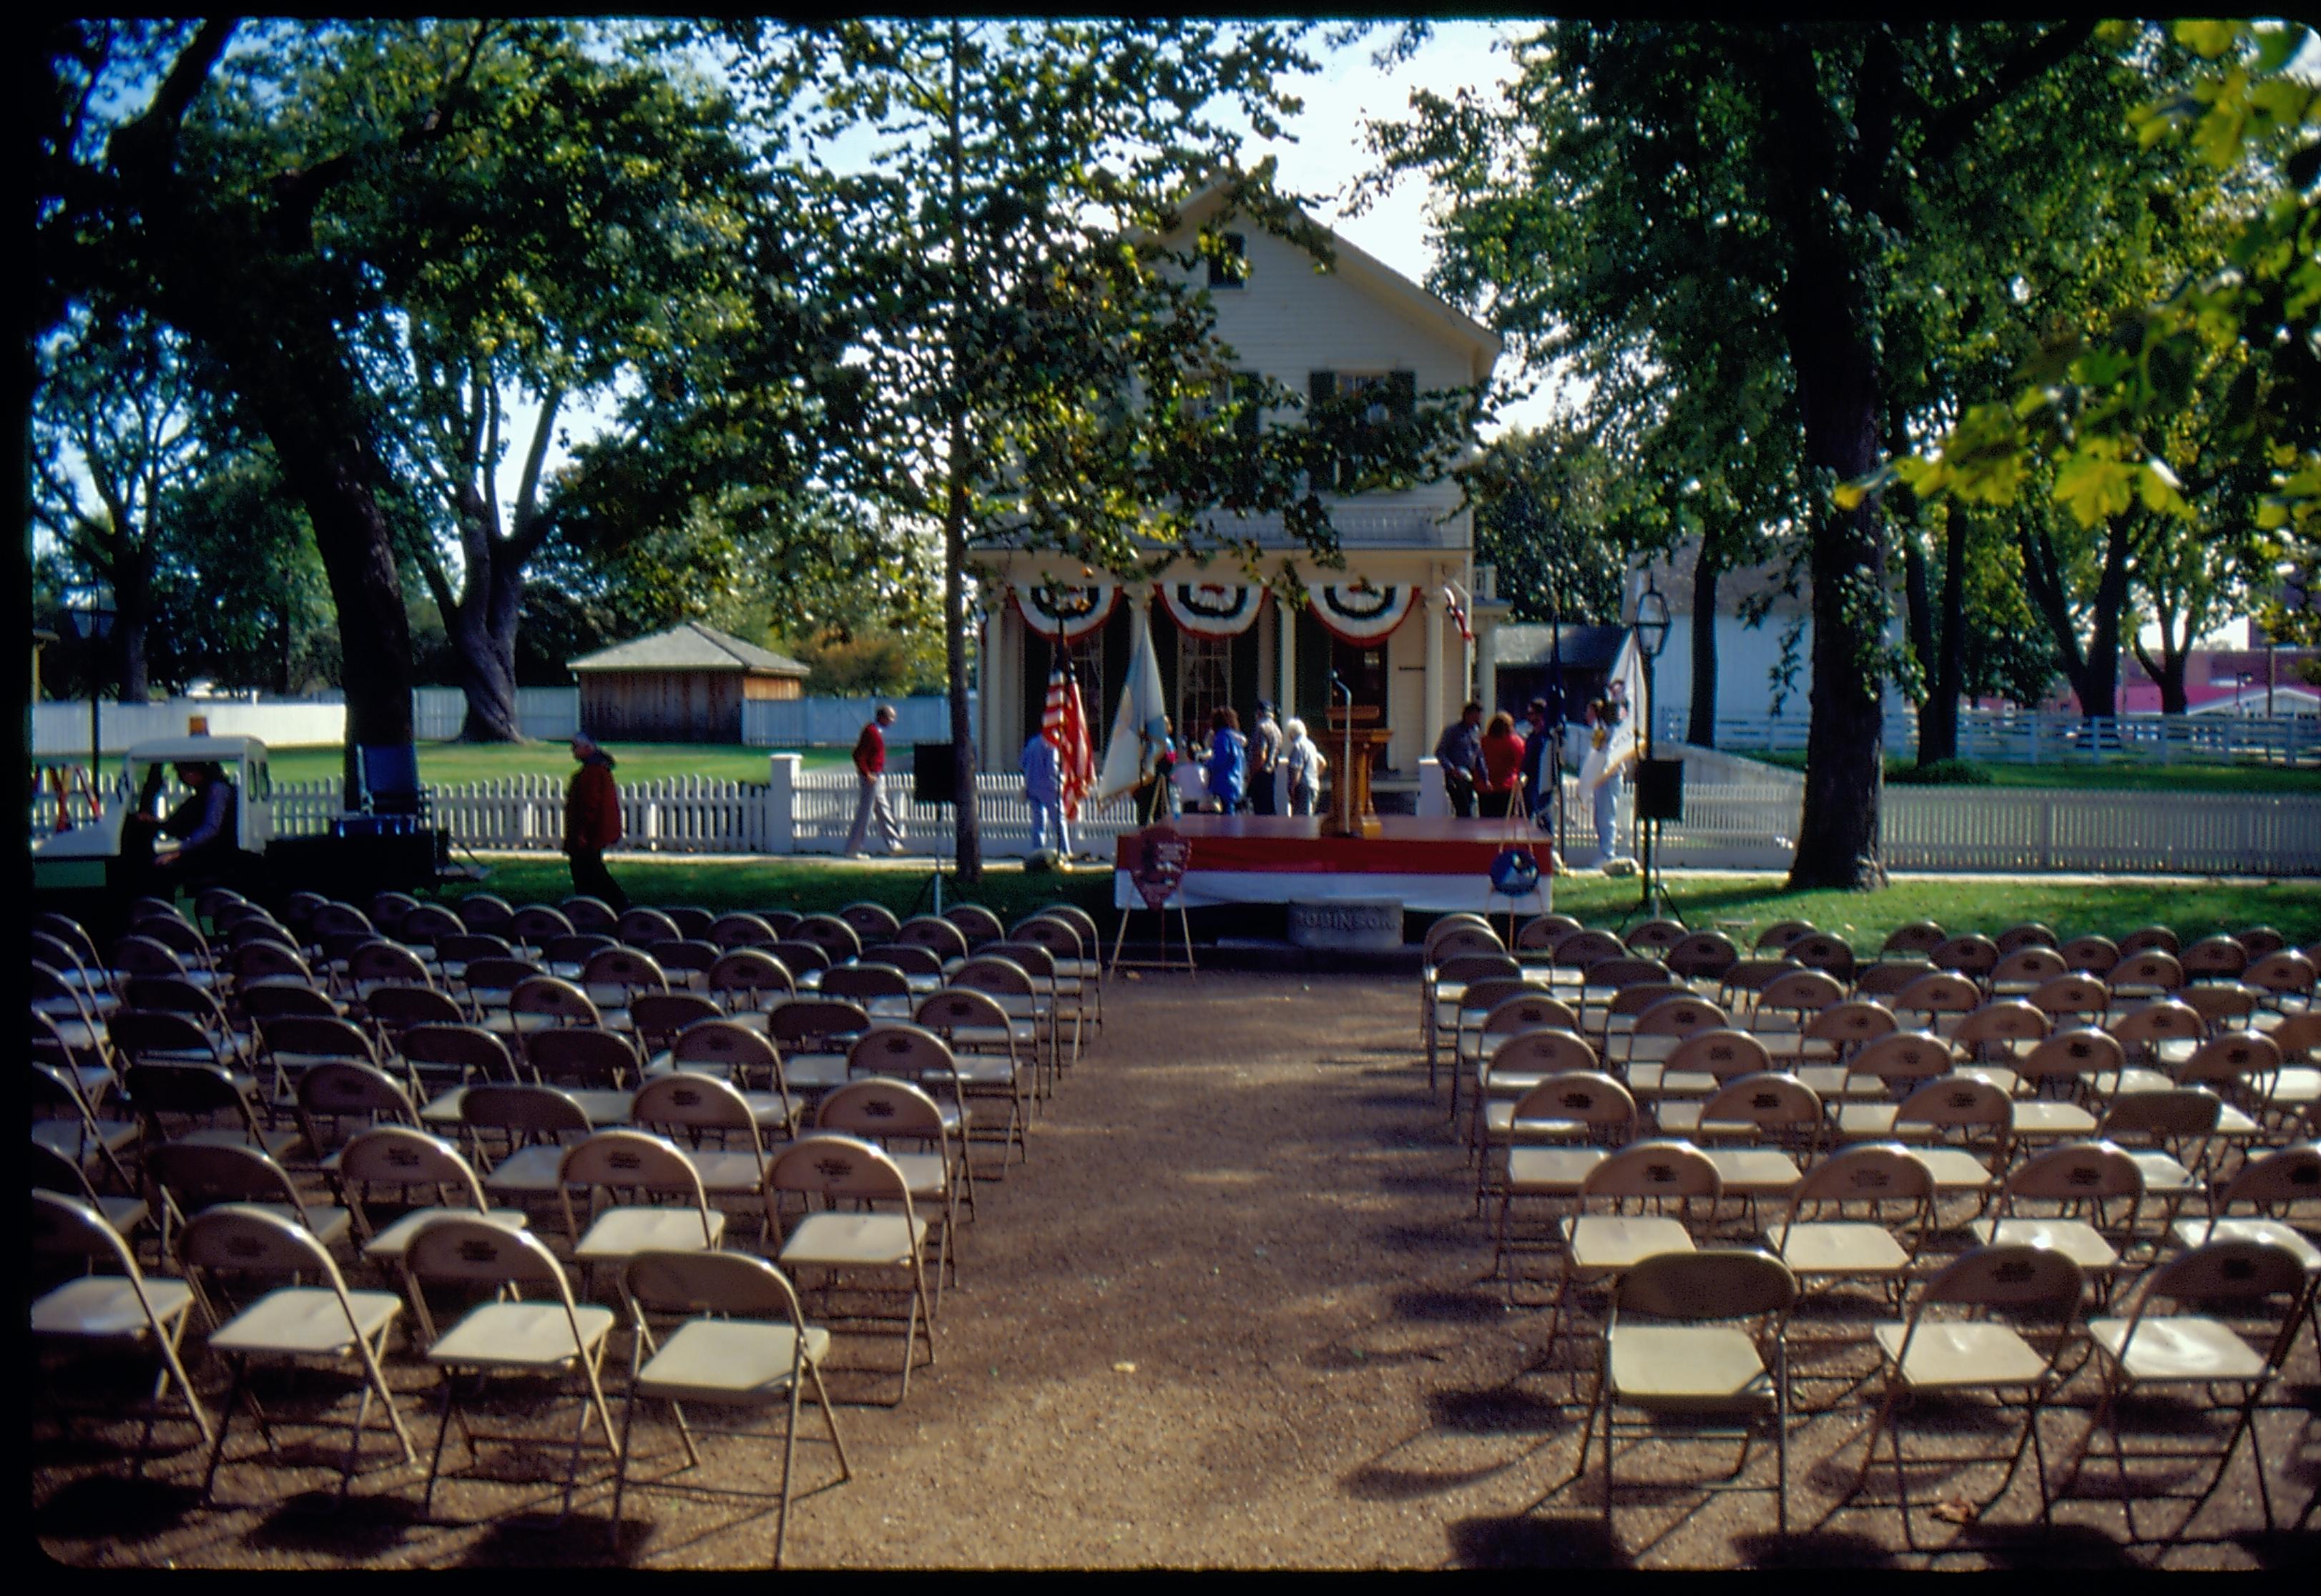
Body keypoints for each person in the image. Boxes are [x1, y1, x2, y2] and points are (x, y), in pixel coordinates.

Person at [132, 760, 245, 890]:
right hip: (203, 851)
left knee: (160, 869)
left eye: (181, 773)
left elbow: (210, 828)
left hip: (214, 855)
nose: (181, 778)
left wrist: (180, 850)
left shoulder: (217, 790)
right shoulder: (202, 793)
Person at [563, 734, 629, 910]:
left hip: (590, 834)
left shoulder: (592, 772)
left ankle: (603, 905)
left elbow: (588, 804)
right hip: (594, 832)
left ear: (588, 748)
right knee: (593, 869)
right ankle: (602, 905)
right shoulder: (600, 769)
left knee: (588, 870)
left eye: (575, 747)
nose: (573, 751)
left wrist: (581, 833)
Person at [846, 704, 906, 857]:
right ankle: (854, 849)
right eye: (891, 717)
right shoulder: (871, 732)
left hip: (878, 775)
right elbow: (858, 755)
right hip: (871, 777)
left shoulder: (876, 731)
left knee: (883, 810)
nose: (893, 721)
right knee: (865, 813)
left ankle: (894, 845)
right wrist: (867, 773)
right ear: (882, 717)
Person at [1021, 728, 1071, 859]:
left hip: (1032, 786)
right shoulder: (1051, 744)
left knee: (1038, 822)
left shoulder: (1032, 743)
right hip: (1049, 788)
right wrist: (1062, 781)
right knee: (1059, 821)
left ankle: (1037, 853)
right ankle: (1065, 851)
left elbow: (1023, 763)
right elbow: (1052, 768)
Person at [1434, 701, 1485, 818]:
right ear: (1467, 715)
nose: (1477, 720)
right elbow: (1440, 752)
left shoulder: (1475, 731)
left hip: (1470, 775)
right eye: (1475, 716)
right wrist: (1451, 769)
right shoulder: (1452, 731)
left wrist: (1484, 777)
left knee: (1470, 804)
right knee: (1463, 808)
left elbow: (1479, 755)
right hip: (1456, 776)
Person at [1476, 711, 1525, 819]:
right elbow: (1521, 763)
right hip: (1506, 787)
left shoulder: (1483, 741)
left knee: (1486, 820)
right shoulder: (1515, 742)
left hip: (1485, 787)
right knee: (1505, 822)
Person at [1280, 716, 1326, 817]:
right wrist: (1315, 775)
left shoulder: (1298, 746)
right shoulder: (1311, 745)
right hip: (1313, 785)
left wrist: (1292, 790)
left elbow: (1297, 771)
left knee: (1301, 821)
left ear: (1292, 733)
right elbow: (1322, 762)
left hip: (1303, 789)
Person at [1519, 697, 1556, 822]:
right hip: (1529, 783)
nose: (1528, 717)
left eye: (1531, 713)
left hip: (1541, 783)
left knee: (1543, 816)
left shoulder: (1546, 739)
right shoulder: (1532, 737)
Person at [1205, 706, 1247, 814]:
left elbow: (1221, 759)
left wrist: (1207, 763)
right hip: (1237, 781)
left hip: (1225, 782)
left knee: (1226, 817)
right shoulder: (1237, 738)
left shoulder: (1222, 736)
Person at [1249, 700, 1282, 816]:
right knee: (1269, 807)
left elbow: (1260, 754)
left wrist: (1251, 774)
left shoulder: (1261, 727)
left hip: (1260, 774)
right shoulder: (1277, 730)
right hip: (1271, 772)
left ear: (1259, 713)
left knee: (1260, 809)